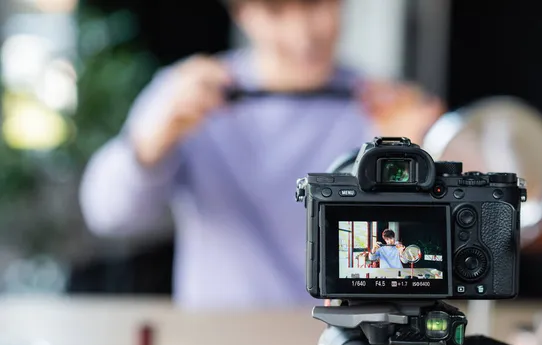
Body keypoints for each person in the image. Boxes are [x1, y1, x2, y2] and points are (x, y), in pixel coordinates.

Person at [79, 0, 443, 309]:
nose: (302, 35)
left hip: (343, 343)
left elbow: (406, 263)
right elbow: (109, 215)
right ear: (242, 13)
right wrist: (154, 139)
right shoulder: (186, 93)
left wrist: (410, 164)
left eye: (317, 5)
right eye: (275, 12)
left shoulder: (387, 109)